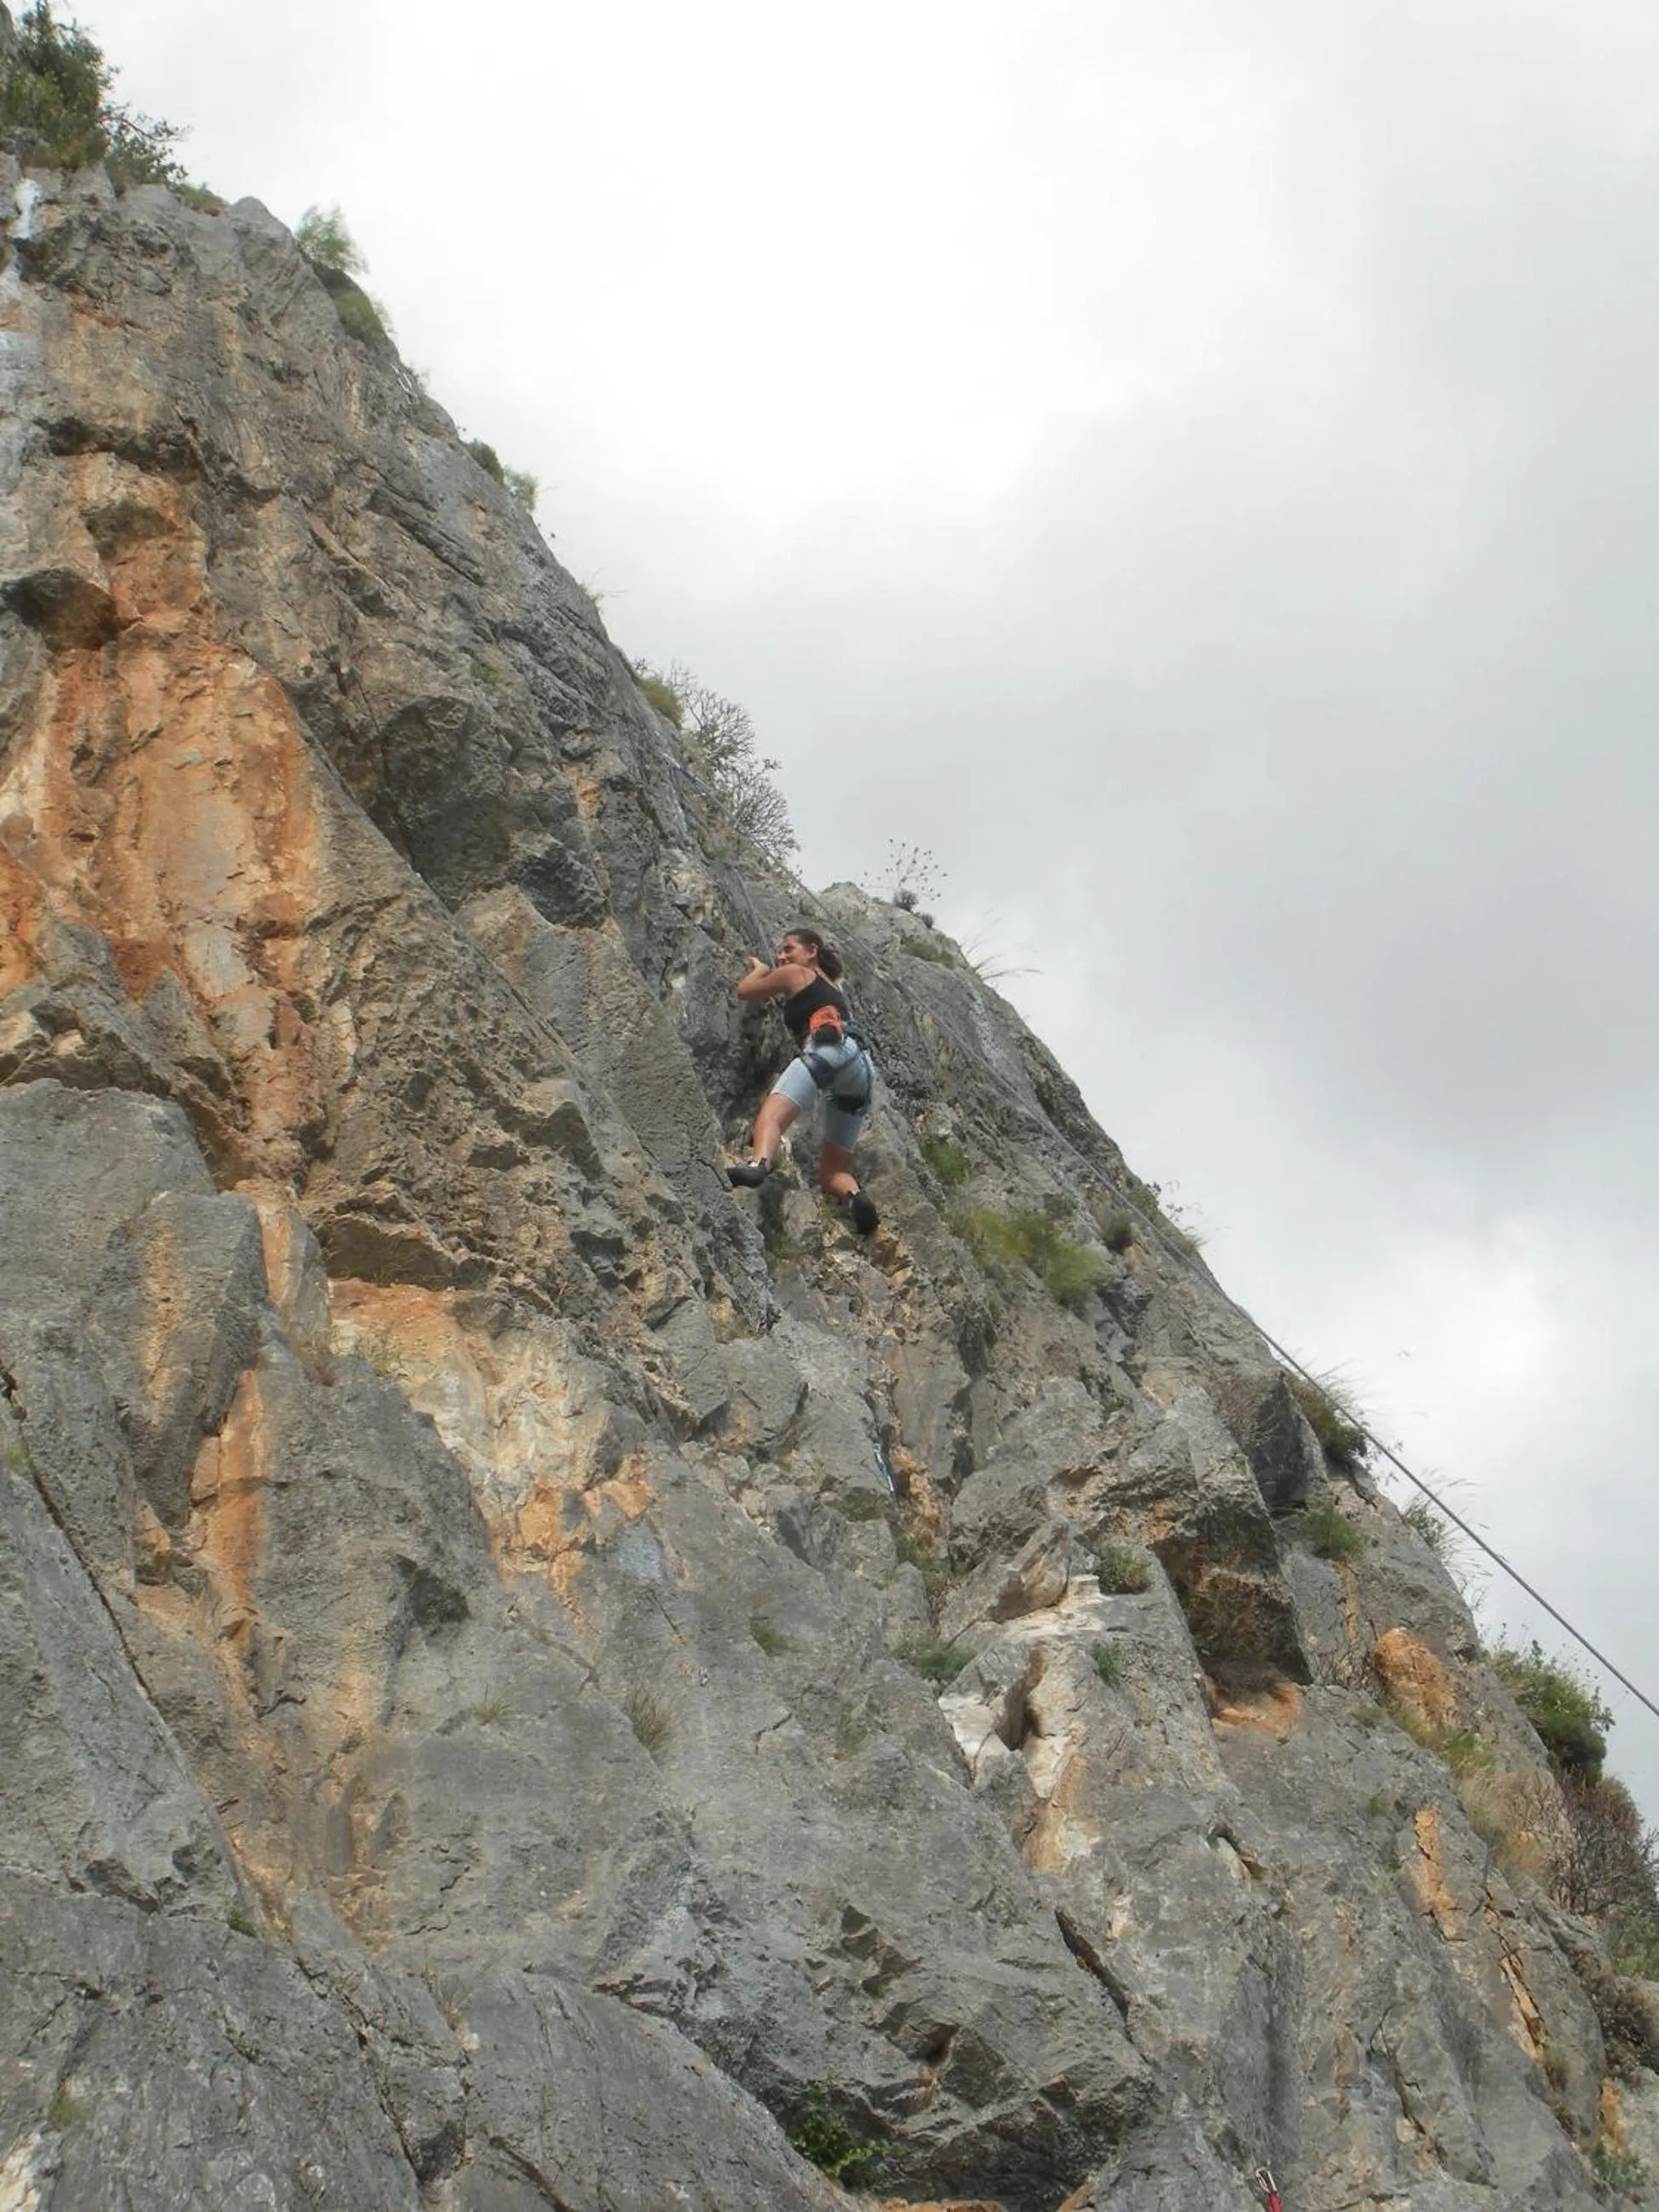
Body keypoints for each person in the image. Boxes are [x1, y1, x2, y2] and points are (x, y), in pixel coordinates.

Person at [727, 925, 879, 1235]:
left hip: (829, 1049)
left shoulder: (798, 972)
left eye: (788, 949)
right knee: (832, 1172)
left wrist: (762, 969)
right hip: (861, 1067)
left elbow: (744, 991)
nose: (783, 955)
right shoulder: (832, 986)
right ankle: (856, 1199)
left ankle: (759, 1166)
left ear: (811, 952)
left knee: (771, 1117)